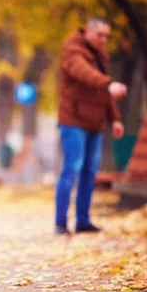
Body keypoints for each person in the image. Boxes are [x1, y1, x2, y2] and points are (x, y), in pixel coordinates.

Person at [55, 17, 128, 235]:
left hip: (95, 122)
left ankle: (83, 220)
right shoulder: (72, 49)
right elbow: (85, 74)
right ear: (88, 31)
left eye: (107, 36)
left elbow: (102, 92)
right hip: (73, 120)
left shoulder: (101, 54)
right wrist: (108, 83)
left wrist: (114, 118)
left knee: (89, 172)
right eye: (100, 35)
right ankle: (60, 221)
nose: (104, 40)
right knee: (72, 169)